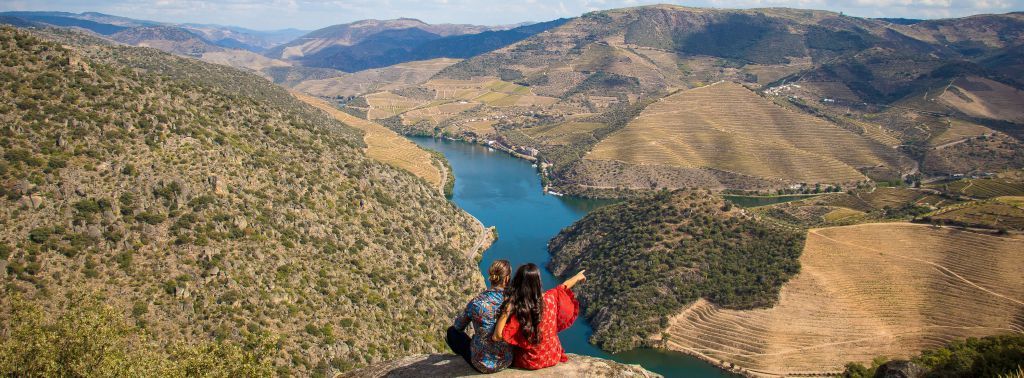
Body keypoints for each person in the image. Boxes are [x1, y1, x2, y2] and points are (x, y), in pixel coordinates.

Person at [492, 263, 586, 370]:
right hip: (552, 356)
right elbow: (564, 286)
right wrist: (577, 277)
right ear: (538, 282)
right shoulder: (551, 297)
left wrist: (506, 310)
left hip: (529, 361)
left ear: (518, 282)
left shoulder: (520, 308)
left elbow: (497, 336)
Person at [448, 259, 514, 373]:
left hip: (481, 364)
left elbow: (458, 326)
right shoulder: (513, 301)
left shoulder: (477, 302)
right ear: (507, 279)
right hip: (506, 360)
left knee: (451, 332)